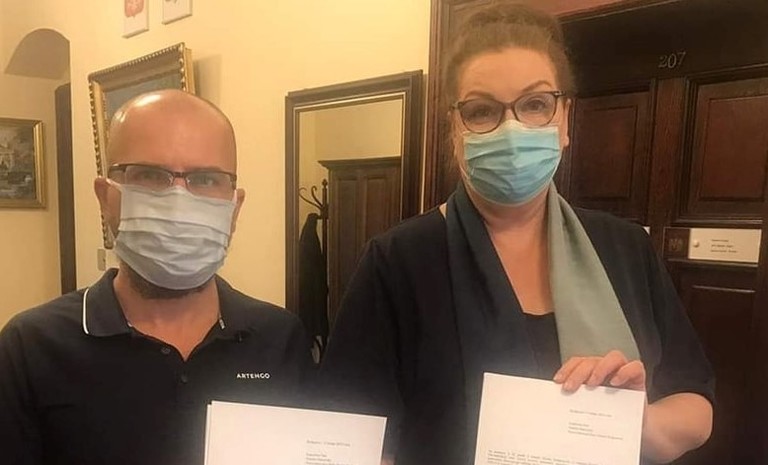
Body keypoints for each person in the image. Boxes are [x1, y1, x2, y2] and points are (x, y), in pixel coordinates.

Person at [318, 4, 714, 465]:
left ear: (565, 119)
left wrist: (631, 423)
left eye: (535, 104)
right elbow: (347, 441)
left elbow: (695, 405)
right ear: (455, 128)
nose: (511, 129)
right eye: (482, 110)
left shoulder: (625, 248)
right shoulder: (398, 263)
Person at [0, 90, 313, 465]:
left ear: (234, 206)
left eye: (205, 179)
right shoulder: (31, 347)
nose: (178, 202)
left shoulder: (280, 339)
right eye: (150, 175)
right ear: (106, 198)